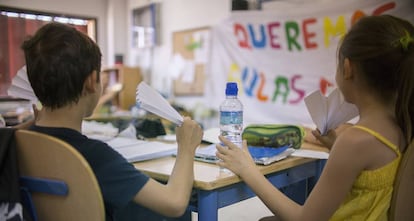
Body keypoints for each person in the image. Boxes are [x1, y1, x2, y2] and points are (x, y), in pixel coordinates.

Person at [216, 14, 414, 221]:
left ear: (347, 69)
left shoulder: (354, 141)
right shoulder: (401, 124)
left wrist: (247, 170)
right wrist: (334, 145)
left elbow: (304, 219)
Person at [21, 22, 204, 221]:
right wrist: (186, 147)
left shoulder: (18, 141)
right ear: (92, 81)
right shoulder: (94, 155)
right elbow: (174, 204)